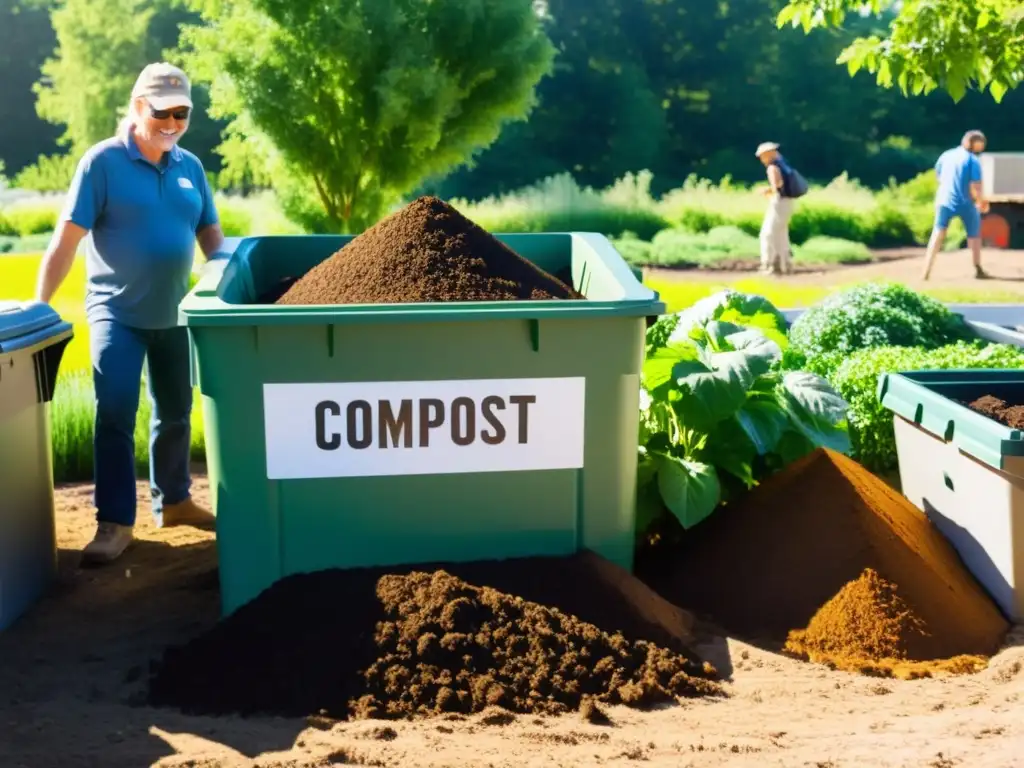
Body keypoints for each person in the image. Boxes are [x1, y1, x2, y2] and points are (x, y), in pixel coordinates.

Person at [34, 62, 227, 565]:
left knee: (177, 412)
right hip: (114, 313)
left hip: (175, 314)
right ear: (139, 106)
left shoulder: (191, 168)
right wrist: (40, 308)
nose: (173, 122)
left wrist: (225, 275)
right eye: (163, 112)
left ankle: (176, 501)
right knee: (115, 411)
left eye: (182, 113)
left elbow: (210, 233)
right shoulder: (102, 163)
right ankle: (115, 522)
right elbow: (66, 242)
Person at [921, 130, 990, 280]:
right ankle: (977, 269)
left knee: (938, 232)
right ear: (976, 143)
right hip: (966, 202)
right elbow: (975, 185)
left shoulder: (946, 155)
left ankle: (926, 270)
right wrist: (981, 202)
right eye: (982, 144)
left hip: (943, 200)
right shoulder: (973, 160)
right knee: (974, 236)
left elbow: (938, 175)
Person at [755, 141, 798, 276]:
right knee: (781, 234)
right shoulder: (784, 165)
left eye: (762, 156)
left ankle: (769, 265)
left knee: (768, 234)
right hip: (788, 202)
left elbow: (777, 185)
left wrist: (765, 191)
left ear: (768, 154)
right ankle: (785, 265)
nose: (761, 159)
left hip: (779, 202)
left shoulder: (772, 167)